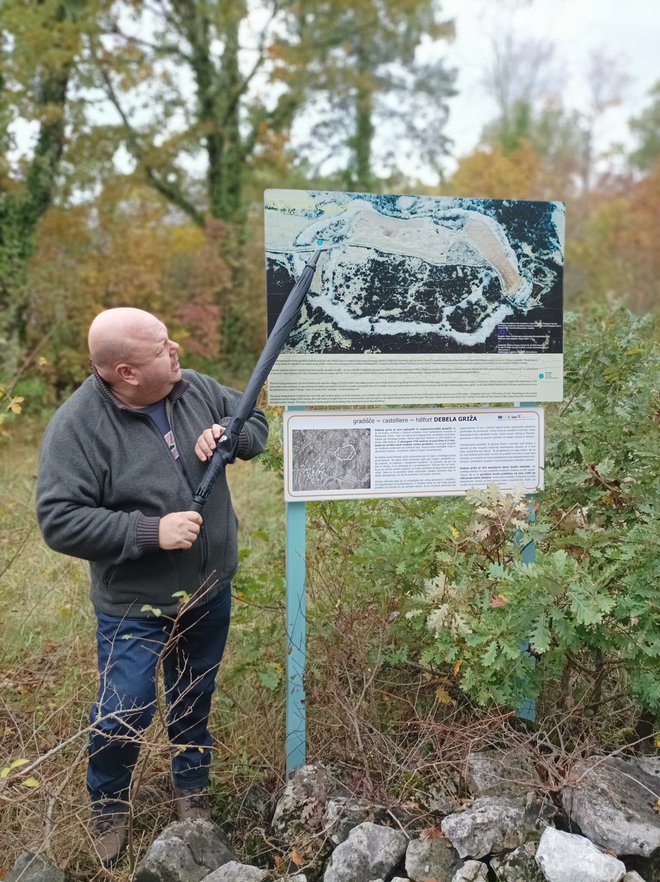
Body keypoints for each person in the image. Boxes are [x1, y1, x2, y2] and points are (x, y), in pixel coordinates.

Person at [36, 307, 269, 866]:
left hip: (208, 589)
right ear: (126, 372)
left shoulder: (194, 388)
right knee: (125, 709)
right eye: (162, 347)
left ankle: (192, 788)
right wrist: (149, 531)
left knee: (193, 696)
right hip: (134, 606)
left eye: (170, 341)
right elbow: (58, 518)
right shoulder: (78, 427)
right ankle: (109, 804)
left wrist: (230, 437)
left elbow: (254, 420)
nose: (176, 351)